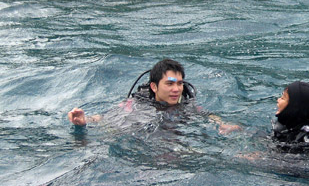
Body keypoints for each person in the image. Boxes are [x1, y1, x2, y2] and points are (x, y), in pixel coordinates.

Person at [68, 58, 241, 135]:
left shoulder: (185, 102)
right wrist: (85, 121)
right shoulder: (136, 103)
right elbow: (105, 118)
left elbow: (206, 114)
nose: (176, 89)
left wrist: (222, 123)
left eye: (180, 83)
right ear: (154, 86)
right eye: (170, 83)